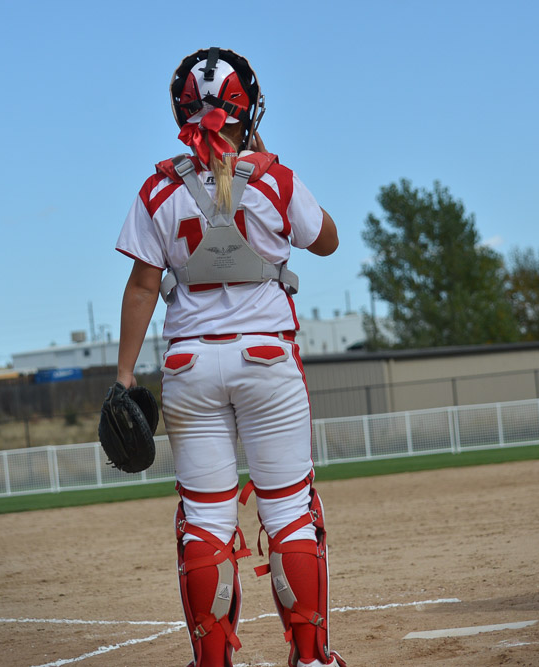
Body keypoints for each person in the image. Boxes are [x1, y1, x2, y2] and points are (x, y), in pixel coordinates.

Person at [114, 48, 344, 667]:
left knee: (205, 522)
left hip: (190, 366)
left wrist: (124, 376)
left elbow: (142, 287)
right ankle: (310, 657)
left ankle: (212, 661)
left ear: (181, 112)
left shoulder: (159, 187)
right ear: (250, 109)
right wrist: (266, 159)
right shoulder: (274, 178)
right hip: (267, 360)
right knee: (290, 512)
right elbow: (327, 241)